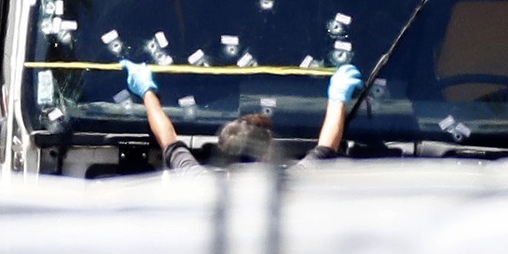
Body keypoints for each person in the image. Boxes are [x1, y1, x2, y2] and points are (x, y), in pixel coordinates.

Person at [120, 60, 363, 175]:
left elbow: (168, 139)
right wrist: (337, 97)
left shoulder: (199, 184)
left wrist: (146, 91)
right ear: (267, 151)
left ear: (222, 152)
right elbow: (327, 145)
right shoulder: (291, 183)